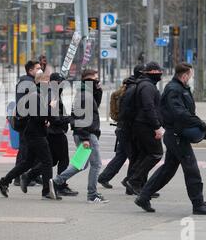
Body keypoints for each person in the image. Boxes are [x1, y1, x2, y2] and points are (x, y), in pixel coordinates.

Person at [134, 63, 206, 215]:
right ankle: (198, 204)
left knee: (168, 169)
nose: (190, 78)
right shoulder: (174, 89)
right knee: (192, 169)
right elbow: (179, 112)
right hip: (176, 135)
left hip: (178, 135)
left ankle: (143, 197)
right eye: (190, 75)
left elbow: (184, 111)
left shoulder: (180, 88)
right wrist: (199, 123)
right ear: (184, 75)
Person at [0, 72, 59, 200]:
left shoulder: (38, 95)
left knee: (27, 162)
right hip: (35, 134)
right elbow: (39, 116)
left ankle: (4, 181)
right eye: (47, 81)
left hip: (31, 133)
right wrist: (50, 108)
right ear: (39, 82)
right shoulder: (35, 96)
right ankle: (46, 191)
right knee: (47, 161)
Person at [49, 69, 109, 204]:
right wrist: (85, 138)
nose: (98, 81)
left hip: (85, 133)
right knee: (96, 164)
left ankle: (56, 181)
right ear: (89, 80)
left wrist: (98, 91)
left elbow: (95, 107)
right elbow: (81, 118)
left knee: (81, 164)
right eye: (95, 79)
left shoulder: (86, 93)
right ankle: (92, 195)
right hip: (87, 134)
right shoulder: (83, 95)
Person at [19, 73, 78, 196]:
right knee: (63, 160)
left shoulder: (52, 93)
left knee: (51, 161)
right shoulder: (53, 94)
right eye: (61, 82)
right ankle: (60, 185)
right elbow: (54, 117)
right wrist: (68, 119)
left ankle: (28, 175)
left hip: (51, 132)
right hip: (56, 132)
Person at [98, 64, 144, 192]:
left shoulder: (120, 93)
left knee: (122, 155)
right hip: (125, 128)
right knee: (134, 156)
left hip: (121, 128)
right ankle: (130, 182)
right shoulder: (131, 92)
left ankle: (104, 177)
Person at [125, 62, 164, 196]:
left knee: (144, 155)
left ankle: (138, 184)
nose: (161, 74)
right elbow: (149, 107)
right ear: (152, 72)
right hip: (145, 125)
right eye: (158, 72)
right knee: (155, 153)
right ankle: (134, 181)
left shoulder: (144, 84)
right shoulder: (147, 87)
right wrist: (156, 126)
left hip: (140, 125)